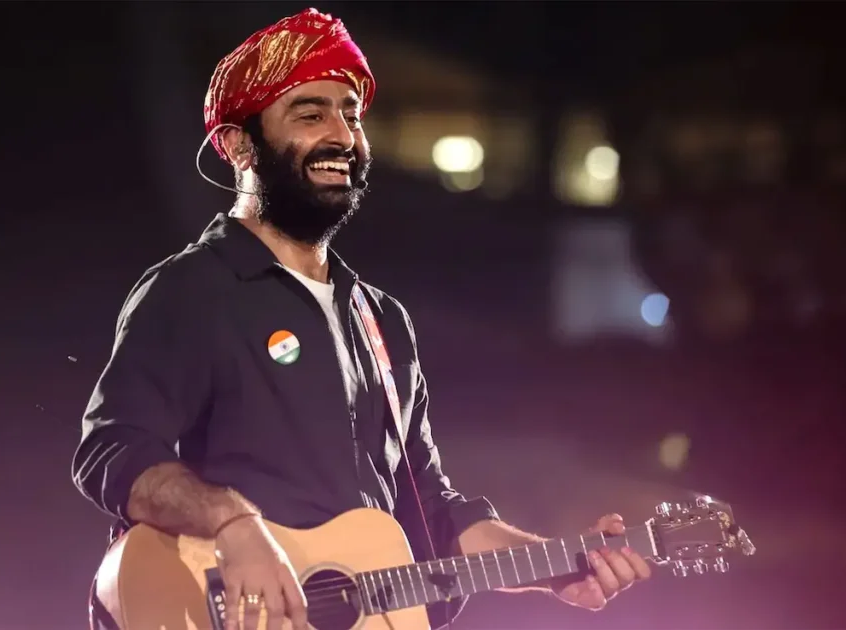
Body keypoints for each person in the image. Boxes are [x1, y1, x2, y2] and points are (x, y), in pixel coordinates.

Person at [73, 8, 650, 630]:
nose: (343, 136)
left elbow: (429, 510)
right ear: (238, 143)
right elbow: (112, 450)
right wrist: (234, 525)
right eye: (310, 113)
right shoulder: (190, 291)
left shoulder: (383, 322)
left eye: (351, 114)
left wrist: (554, 565)